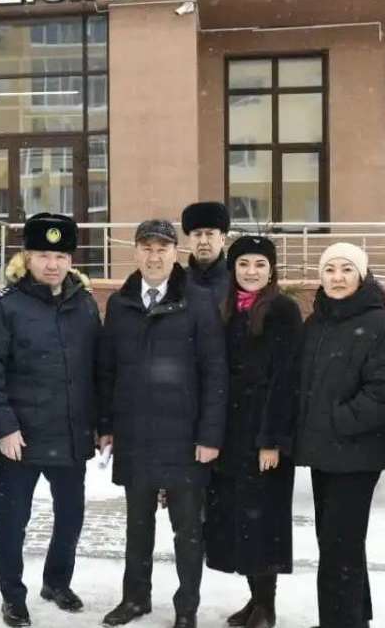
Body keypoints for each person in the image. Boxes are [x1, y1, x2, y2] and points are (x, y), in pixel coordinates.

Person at [97, 219, 227, 628]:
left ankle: (186, 607)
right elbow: (107, 370)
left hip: (185, 437)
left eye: (162, 249)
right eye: (147, 248)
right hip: (135, 435)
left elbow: (215, 372)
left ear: (175, 252)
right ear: (136, 252)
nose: (154, 257)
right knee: (138, 527)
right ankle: (135, 598)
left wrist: (209, 434)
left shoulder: (198, 301)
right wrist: (106, 425)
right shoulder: (120, 303)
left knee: (187, 531)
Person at [0, 213, 101, 627]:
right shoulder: (3, 306)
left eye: (61, 256)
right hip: (20, 437)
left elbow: (97, 369)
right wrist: (4, 427)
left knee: (71, 516)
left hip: (70, 432)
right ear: (27, 257)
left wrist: (99, 424)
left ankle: (56, 582)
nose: (53, 264)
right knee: (13, 522)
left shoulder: (84, 304)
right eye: (44, 255)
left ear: (71, 260)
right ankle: (13, 595)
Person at [292, 243, 385, 628]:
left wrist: (337, 420)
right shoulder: (316, 322)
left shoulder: (381, 326)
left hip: (357, 453)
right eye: (330, 270)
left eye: (346, 269)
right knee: (337, 542)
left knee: (339, 545)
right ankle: (354, 616)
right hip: (323, 451)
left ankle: (339, 621)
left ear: (361, 275)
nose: (337, 277)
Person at [204, 235, 302, 628]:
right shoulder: (226, 308)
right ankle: (254, 599)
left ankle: (266, 605)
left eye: (260, 264)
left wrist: (271, 440)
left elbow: (286, 379)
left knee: (264, 523)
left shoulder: (283, 310)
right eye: (244, 264)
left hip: (264, 433)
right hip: (231, 436)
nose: (251, 271)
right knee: (241, 522)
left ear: (272, 269)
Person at [181, 201, 231, 308]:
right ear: (189, 240)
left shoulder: (237, 280)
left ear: (222, 239)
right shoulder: (177, 282)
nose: (203, 241)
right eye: (197, 234)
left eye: (209, 234)